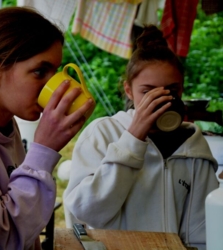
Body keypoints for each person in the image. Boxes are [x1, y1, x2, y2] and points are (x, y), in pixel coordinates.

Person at [0, 6, 94, 250]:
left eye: (54, 72)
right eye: (40, 71)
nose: (52, 86)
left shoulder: (5, 122)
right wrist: (44, 150)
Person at [64, 25, 219, 250]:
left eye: (171, 91)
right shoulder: (103, 134)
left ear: (181, 91)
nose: (160, 101)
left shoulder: (193, 147)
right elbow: (89, 213)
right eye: (148, 92)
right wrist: (133, 139)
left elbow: (202, 231)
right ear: (128, 90)